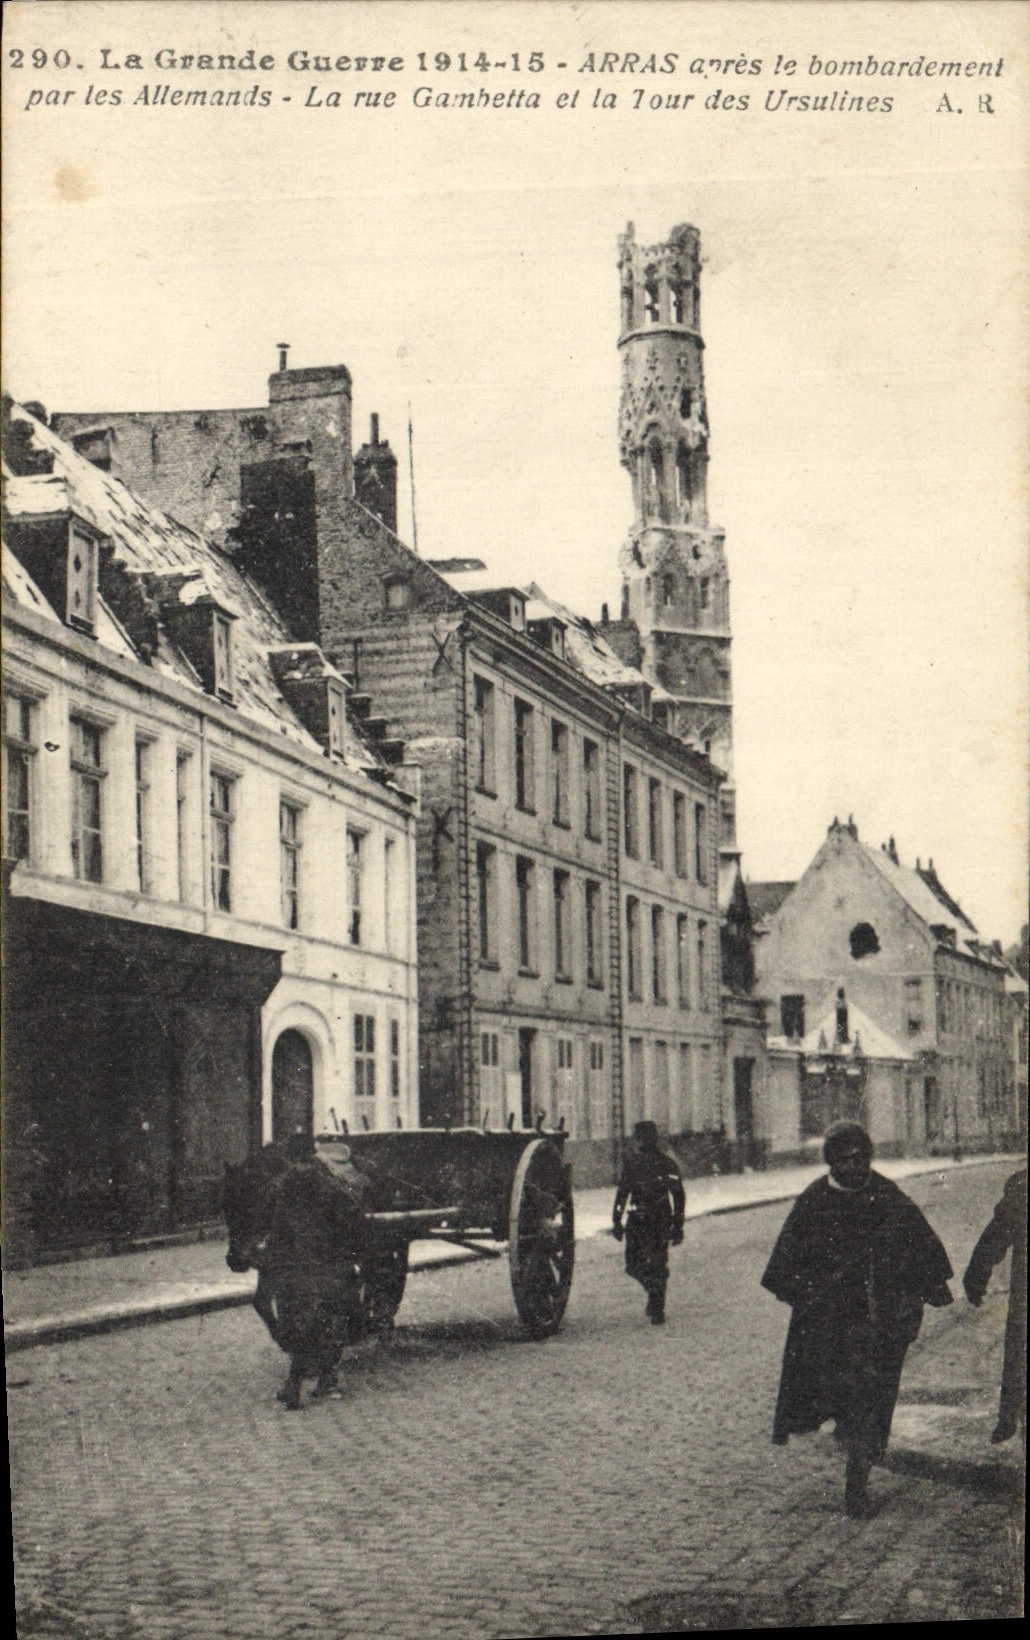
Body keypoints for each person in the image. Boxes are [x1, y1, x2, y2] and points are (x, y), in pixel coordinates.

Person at [761, 1121, 953, 1518]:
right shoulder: (814, 1201)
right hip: (829, 1327)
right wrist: (808, 1295)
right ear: (831, 1161)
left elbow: (922, 1244)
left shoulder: (886, 1196)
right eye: (845, 1159)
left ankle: (858, 1482)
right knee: (841, 1397)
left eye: (861, 1157)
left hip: (878, 1323)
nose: (855, 1166)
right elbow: (783, 1265)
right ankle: (851, 1444)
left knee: (872, 1401)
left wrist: (928, 1288)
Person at [962, 1166, 1027, 1445]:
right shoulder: (1023, 1188)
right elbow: (997, 1234)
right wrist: (977, 1273)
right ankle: (1013, 1416)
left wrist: (977, 1274)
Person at [612, 1120, 686, 1325]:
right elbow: (622, 1193)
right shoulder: (643, 1163)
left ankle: (657, 1308)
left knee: (650, 1263)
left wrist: (678, 1226)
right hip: (647, 1219)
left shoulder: (658, 1163)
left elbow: (678, 1195)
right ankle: (655, 1295)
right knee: (641, 1264)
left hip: (652, 1219)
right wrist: (616, 1221)